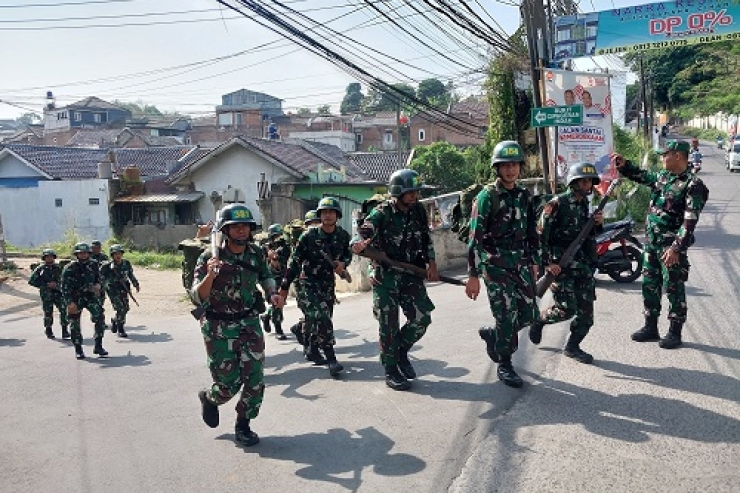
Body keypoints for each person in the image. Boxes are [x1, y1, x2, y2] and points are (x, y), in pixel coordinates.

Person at [192, 203, 284, 447]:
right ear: (226, 229)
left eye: (245, 226)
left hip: (249, 321)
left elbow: (265, 275)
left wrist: (272, 292)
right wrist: (211, 275)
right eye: (236, 227)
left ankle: (243, 425)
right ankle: (211, 399)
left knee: (255, 377)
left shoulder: (255, 253)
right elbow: (197, 296)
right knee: (228, 384)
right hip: (218, 327)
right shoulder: (208, 257)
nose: (242, 231)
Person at [611, 140, 708, 348]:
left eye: (665, 154)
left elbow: (689, 221)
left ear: (678, 156)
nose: (662, 158)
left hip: (670, 248)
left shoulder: (693, 185)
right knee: (649, 284)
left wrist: (676, 248)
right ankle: (650, 326)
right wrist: (624, 165)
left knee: (673, 287)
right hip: (652, 244)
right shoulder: (664, 177)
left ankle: (674, 331)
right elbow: (643, 176)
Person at [351, 170, 438, 391]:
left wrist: (432, 263)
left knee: (422, 318)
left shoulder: (418, 210)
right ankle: (390, 369)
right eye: (409, 192)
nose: (414, 195)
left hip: (411, 273)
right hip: (386, 276)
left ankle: (400, 351)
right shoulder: (382, 212)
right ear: (398, 192)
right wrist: (359, 243)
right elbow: (364, 231)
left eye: (416, 191)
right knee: (388, 324)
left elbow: (426, 237)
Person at [464, 141, 540, 388]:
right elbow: (474, 238)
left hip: (520, 264)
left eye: (514, 165)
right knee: (506, 315)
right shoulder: (487, 198)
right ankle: (505, 364)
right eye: (505, 165)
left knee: (529, 313)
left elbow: (530, 232)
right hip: (495, 266)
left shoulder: (523, 195)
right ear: (497, 168)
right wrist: (473, 274)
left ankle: (495, 335)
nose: (510, 170)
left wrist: (534, 261)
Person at [529, 163, 604, 365]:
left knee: (587, 314)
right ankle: (539, 320)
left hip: (582, 266)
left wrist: (597, 223)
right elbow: (539, 235)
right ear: (574, 181)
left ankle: (572, 347)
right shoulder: (557, 203)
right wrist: (547, 264)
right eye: (584, 180)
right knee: (566, 310)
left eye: (590, 181)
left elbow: (588, 236)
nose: (588, 184)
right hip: (560, 267)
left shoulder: (583, 205)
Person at [280, 197, 351, 377]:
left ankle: (311, 348)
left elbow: (347, 255)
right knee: (323, 317)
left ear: (337, 215)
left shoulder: (343, 236)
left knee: (317, 319)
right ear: (319, 215)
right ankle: (331, 358)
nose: (327, 215)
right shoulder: (309, 236)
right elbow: (294, 262)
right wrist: (284, 287)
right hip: (308, 283)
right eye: (324, 212)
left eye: (331, 212)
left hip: (327, 283)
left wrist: (343, 264)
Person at [61, 243, 107, 359]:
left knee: (100, 318)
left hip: (91, 297)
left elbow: (99, 278)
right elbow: (64, 286)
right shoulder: (70, 267)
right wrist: (69, 302)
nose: (83, 255)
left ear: (89, 253)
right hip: (75, 298)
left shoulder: (94, 264)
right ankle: (78, 349)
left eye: (85, 253)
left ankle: (98, 345)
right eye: (80, 253)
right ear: (76, 254)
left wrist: (98, 285)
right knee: (75, 324)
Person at [288, 210, 322, 345]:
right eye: (311, 223)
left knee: (314, 314)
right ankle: (309, 345)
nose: (314, 226)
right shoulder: (302, 240)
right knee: (311, 313)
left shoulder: (320, 239)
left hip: (318, 283)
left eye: (317, 223)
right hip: (302, 282)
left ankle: (301, 330)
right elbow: (294, 262)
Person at [100, 244, 140, 338]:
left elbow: (130, 274)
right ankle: (120, 328)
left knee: (126, 308)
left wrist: (136, 284)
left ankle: (115, 320)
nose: (118, 256)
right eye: (115, 254)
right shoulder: (107, 266)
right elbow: (100, 278)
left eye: (119, 253)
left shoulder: (126, 263)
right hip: (112, 289)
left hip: (124, 288)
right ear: (112, 255)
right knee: (120, 308)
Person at [28, 249, 69, 340]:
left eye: (51, 256)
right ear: (44, 258)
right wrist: (45, 285)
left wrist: (57, 285)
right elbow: (31, 281)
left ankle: (65, 330)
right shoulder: (40, 269)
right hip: (46, 294)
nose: (49, 258)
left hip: (58, 293)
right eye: (47, 257)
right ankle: (48, 329)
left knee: (63, 309)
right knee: (48, 313)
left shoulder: (59, 268)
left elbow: (65, 279)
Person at [261, 224, 289, 340]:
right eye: (275, 236)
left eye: (279, 236)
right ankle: (278, 329)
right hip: (270, 278)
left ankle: (267, 316)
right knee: (277, 303)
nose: (277, 239)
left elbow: (283, 261)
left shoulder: (285, 247)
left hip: (283, 277)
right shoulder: (265, 248)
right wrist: (269, 256)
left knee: (279, 302)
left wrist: (274, 257)